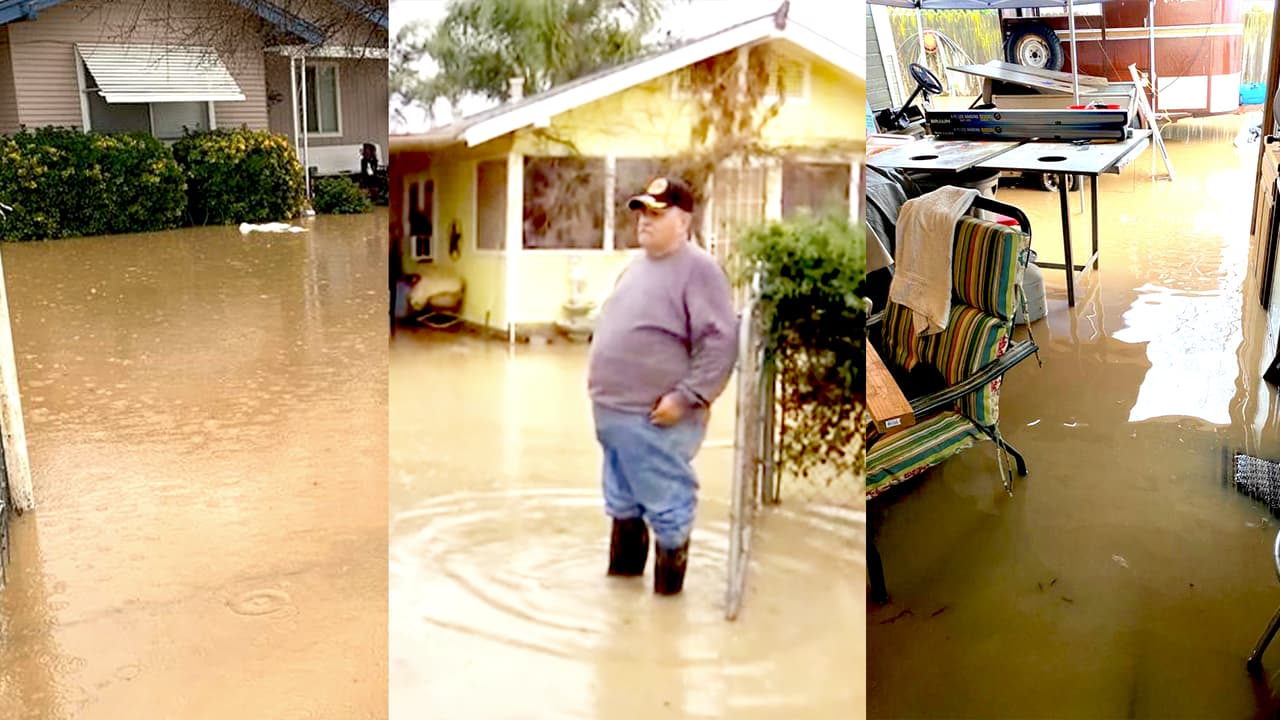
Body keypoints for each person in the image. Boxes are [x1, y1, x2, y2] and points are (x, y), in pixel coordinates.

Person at [586, 175, 739, 596]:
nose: (645, 221)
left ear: (684, 220)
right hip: (615, 417)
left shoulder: (699, 269)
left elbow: (721, 341)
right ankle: (626, 610)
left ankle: (668, 607)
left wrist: (687, 397)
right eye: (641, 211)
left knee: (668, 507)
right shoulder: (636, 266)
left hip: (656, 418)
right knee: (624, 504)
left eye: (658, 212)